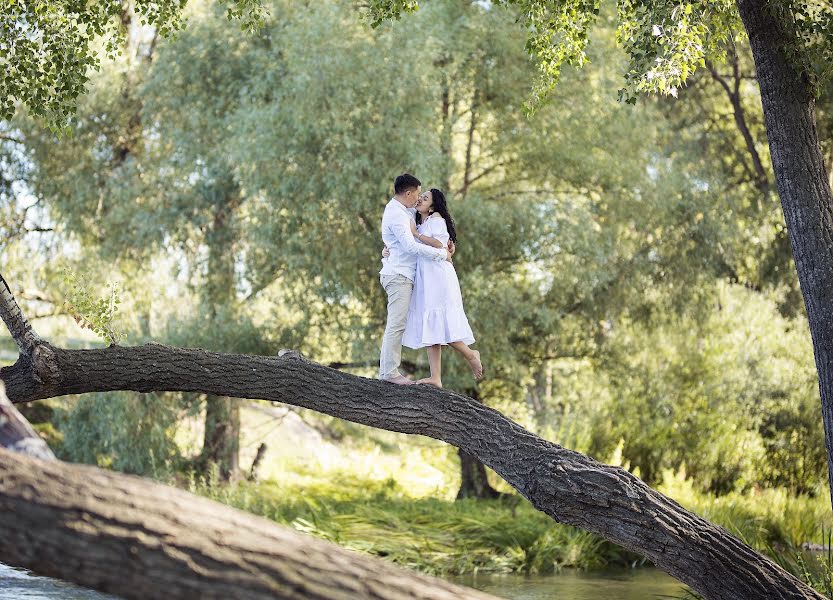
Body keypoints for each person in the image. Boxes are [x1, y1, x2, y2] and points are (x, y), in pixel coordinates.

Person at [401, 188, 483, 388]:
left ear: (433, 206)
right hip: (427, 278)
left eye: (425, 198)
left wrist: (416, 235)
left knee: (443, 324)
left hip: (438, 278)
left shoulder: (436, 218)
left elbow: (439, 245)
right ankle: (435, 377)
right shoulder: (422, 220)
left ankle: (471, 354)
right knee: (431, 326)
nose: (420, 199)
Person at [378, 174, 451, 385]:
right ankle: (389, 373)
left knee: (399, 323)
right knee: (396, 324)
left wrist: (447, 243)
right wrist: (441, 254)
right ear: (408, 193)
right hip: (398, 276)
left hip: (403, 274)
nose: (419, 198)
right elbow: (410, 246)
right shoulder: (396, 214)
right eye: (417, 194)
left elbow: (428, 224)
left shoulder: (404, 210)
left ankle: (389, 371)